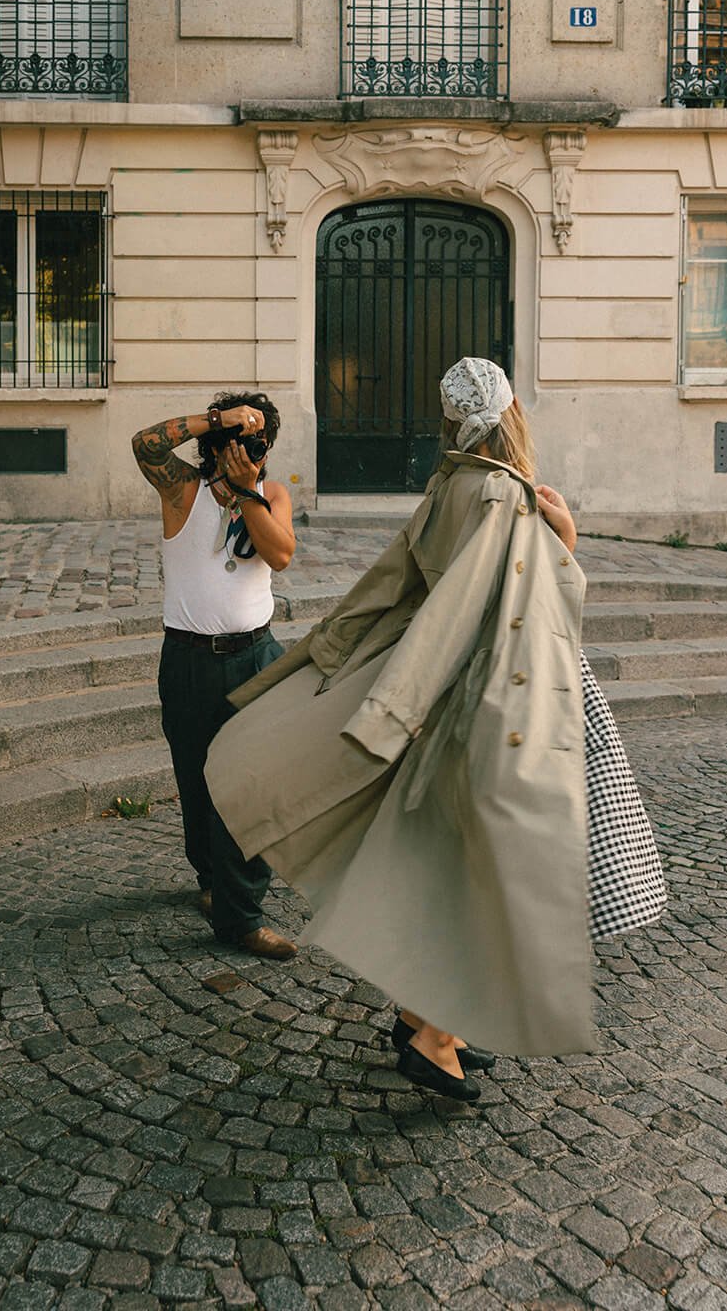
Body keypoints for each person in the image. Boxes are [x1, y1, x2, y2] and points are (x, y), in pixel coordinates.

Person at [204, 359, 666, 1099]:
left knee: (445, 865)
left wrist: (326, 657)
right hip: (498, 699)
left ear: (452, 422)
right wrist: (567, 542)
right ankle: (433, 1036)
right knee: (497, 871)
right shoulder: (501, 495)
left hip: (448, 689)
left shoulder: (446, 485)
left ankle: (426, 1015)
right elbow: (523, 608)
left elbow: (390, 584)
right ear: (511, 416)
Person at [131, 392, 299, 960]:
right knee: (197, 783)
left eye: (259, 442)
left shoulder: (271, 494)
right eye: (239, 440)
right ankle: (210, 881)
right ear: (215, 444)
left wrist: (248, 488)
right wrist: (217, 420)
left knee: (255, 788)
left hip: (257, 658)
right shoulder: (182, 491)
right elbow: (144, 443)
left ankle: (242, 915)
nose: (251, 450)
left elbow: (280, 554)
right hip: (188, 662)